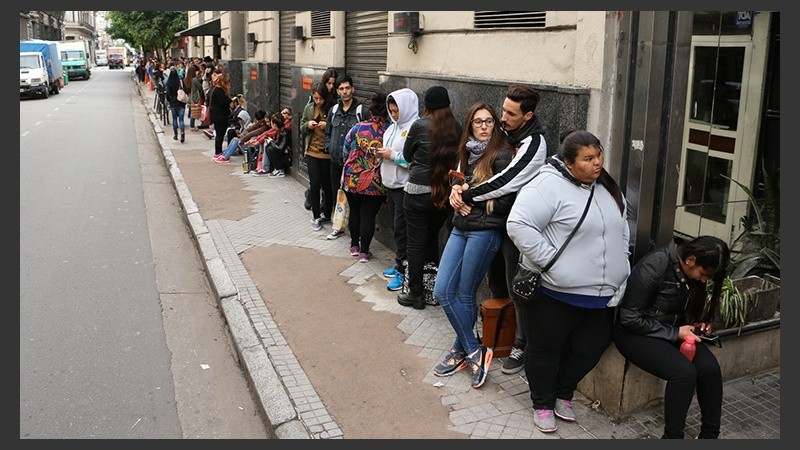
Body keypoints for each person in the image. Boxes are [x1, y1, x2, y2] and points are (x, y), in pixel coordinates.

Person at [506, 130, 630, 433]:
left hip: (601, 295)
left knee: (591, 347)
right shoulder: (548, 185)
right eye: (588, 159)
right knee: (545, 349)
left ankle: (564, 392)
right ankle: (543, 403)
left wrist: (622, 266)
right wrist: (553, 265)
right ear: (568, 162)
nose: (597, 163)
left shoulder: (607, 187)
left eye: (598, 155)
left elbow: (622, 229)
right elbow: (518, 224)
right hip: (555, 293)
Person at [449, 83, 548, 375]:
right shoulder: (505, 132)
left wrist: (467, 196)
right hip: (490, 222)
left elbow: (506, 181)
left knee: (516, 285)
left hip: (518, 225)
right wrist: (456, 187)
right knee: (494, 283)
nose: (502, 118)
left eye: (510, 113)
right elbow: (468, 159)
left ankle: (520, 345)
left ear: (527, 115)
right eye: (502, 110)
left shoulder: (535, 144)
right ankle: (495, 336)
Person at [431, 102, 515, 389]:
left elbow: (505, 201)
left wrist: (468, 197)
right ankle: (472, 349)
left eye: (489, 121)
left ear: (495, 125)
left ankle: (462, 351)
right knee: (442, 290)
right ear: (470, 125)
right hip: (460, 227)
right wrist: (456, 194)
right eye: (478, 121)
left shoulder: (502, 155)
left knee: (465, 293)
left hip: (485, 231)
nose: (483, 126)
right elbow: (459, 185)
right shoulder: (465, 152)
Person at [613, 235, 730, 439]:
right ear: (691, 259)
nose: (703, 280)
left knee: (710, 369)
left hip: (673, 331)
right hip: (635, 332)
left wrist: (700, 322)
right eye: (703, 274)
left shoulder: (690, 270)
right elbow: (629, 317)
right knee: (683, 373)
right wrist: (675, 333)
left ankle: (710, 436)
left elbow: (686, 309)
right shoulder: (656, 264)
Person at [396, 86, 461, 310]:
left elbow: (406, 155)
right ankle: (431, 289)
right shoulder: (456, 127)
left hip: (415, 194)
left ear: (427, 106)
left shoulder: (419, 125)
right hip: (442, 196)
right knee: (432, 240)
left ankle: (415, 295)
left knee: (414, 245)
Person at [376, 88, 419, 291]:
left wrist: (391, 155)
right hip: (391, 186)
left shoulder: (414, 127)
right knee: (396, 229)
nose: (394, 115)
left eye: (397, 111)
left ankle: (404, 273)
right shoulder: (393, 127)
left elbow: (412, 160)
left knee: (403, 231)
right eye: (391, 111)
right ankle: (399, 264)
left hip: (404, 187)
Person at [340, 92, 390, 262]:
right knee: (368, 215)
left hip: (352, 177)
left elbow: (345, 150)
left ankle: (354, 246)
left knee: (355, 211)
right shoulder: (389, 130)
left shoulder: (357, 127)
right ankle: (364, 252)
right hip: (375, 180)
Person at [323, 75, 369, 240]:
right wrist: (329, 147)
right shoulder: (333, 111)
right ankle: (338, 227)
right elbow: (327, 132)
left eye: (347, 88)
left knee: (357, 200)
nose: (345, 91)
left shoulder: (361, 111)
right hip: (336, 162)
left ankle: (357, 233)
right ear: (337, 91)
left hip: (355, 166)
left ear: (353, 89)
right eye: (341, 89)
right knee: (338, 194)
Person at [302, 83, 336, 231]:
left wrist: (327, 125)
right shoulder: (309, 108)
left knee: (328, 187)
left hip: (327, 154)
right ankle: (316, 216)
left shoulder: (332, 109)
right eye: (315, 98)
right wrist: (307, 124)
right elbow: (301, 126)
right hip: (312, 151)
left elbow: (338, 128)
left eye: (320, 99)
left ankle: (327, 213)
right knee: (314, 184)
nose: (318, 101)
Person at [208, 73, 232, 156]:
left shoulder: (214, 89)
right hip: (220, 115)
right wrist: (230, 100)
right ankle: (218, 152)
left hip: (216, 114)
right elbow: (223, 102)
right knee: (220, 134)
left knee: (219, 134)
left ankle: (218, 151)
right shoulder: (219, 90)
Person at [263, 113, 291, 178]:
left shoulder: (285, 132)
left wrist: (271, 142)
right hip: (282, 155)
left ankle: (280, 170)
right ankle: (276, 168)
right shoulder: (278, 132)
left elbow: (280, 149)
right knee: (268, 147)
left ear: (275, 124)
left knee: (270, 149)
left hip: (287, 157)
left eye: (271, 123)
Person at [164, 64, 186, 143]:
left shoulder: (169, 82)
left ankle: (176, 134)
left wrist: (169, 100)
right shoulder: (180, 81)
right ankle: (182, 132)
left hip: (173, 103)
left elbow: (167, 94)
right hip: (181, 102)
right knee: (181, 120)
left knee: (174, 119)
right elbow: (185, 89)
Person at [188, 64, 204, 131]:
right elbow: (200, 87)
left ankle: (192, 126)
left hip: (190, 97)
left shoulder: (189, 79)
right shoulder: (194, 80)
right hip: (195, 97)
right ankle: (192, 126)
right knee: (193, 113)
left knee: (192, 112)